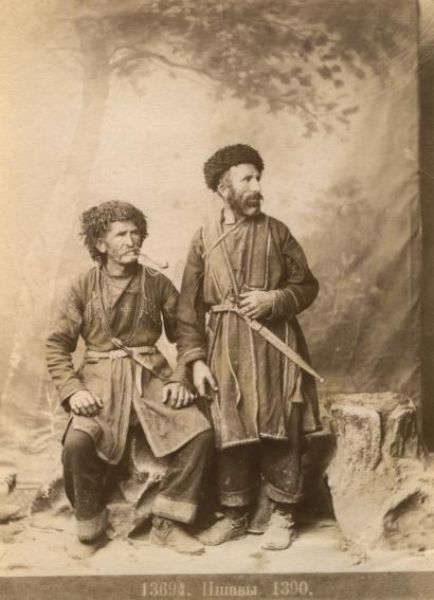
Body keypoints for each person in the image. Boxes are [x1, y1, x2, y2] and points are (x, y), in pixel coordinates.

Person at [46, 200, 212, 556]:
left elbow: (187, 335)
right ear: (101, 244)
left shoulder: (157, 283)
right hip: (99, 382)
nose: (132, 240)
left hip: (149, 376)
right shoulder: (83, 286)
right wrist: (73, 391)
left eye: (136, 232)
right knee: (77, 444)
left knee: (199, 432)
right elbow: (57, 346)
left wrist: (180, 379)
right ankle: (90, 529)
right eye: (121, 234)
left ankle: (167, 523)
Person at [176, 144, 321, 551]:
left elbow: (306, 286)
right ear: (223, 188)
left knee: (281, 424)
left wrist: (273, 300)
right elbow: (188, 309)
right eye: (247, 179)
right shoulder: (203, 238)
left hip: (277, 346)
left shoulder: (278, 232)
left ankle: (282, 514)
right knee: (231, 427)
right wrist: (196, 361)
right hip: (226, 346)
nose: (257, 187)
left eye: (259, 178)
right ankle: (235, 515)